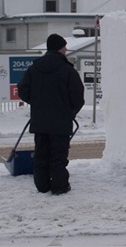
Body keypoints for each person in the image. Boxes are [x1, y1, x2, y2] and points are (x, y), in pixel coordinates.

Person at [18, 33, 84, 195]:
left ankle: (42, 185)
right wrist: (70, 111)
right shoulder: (67, 70)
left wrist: (37, 103)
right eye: (64, 46)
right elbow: (78, 96)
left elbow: (22, 90)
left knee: (41, 154)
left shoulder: (34, 68)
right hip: (61, 121)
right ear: (60, 48)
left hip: (40, 120)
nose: (66, 49)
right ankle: (60, 186)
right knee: (58, 156)